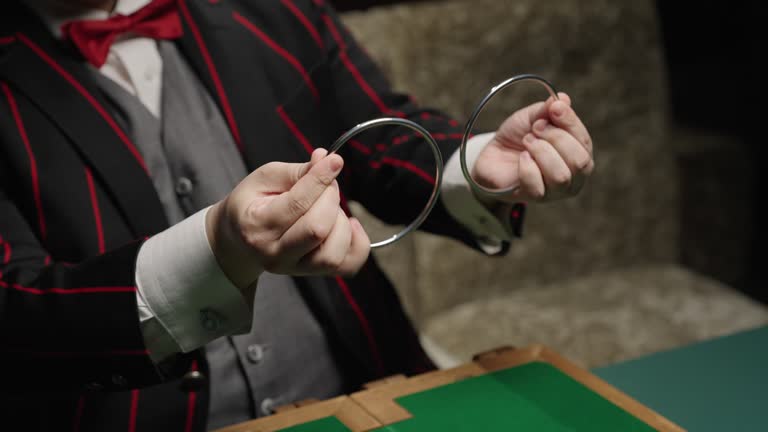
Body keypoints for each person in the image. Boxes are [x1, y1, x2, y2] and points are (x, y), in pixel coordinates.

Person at [0, 0, 594, 430]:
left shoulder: (272, 9)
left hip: (367, 388)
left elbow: (381, 140)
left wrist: (476, 163)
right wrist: (214, 248)